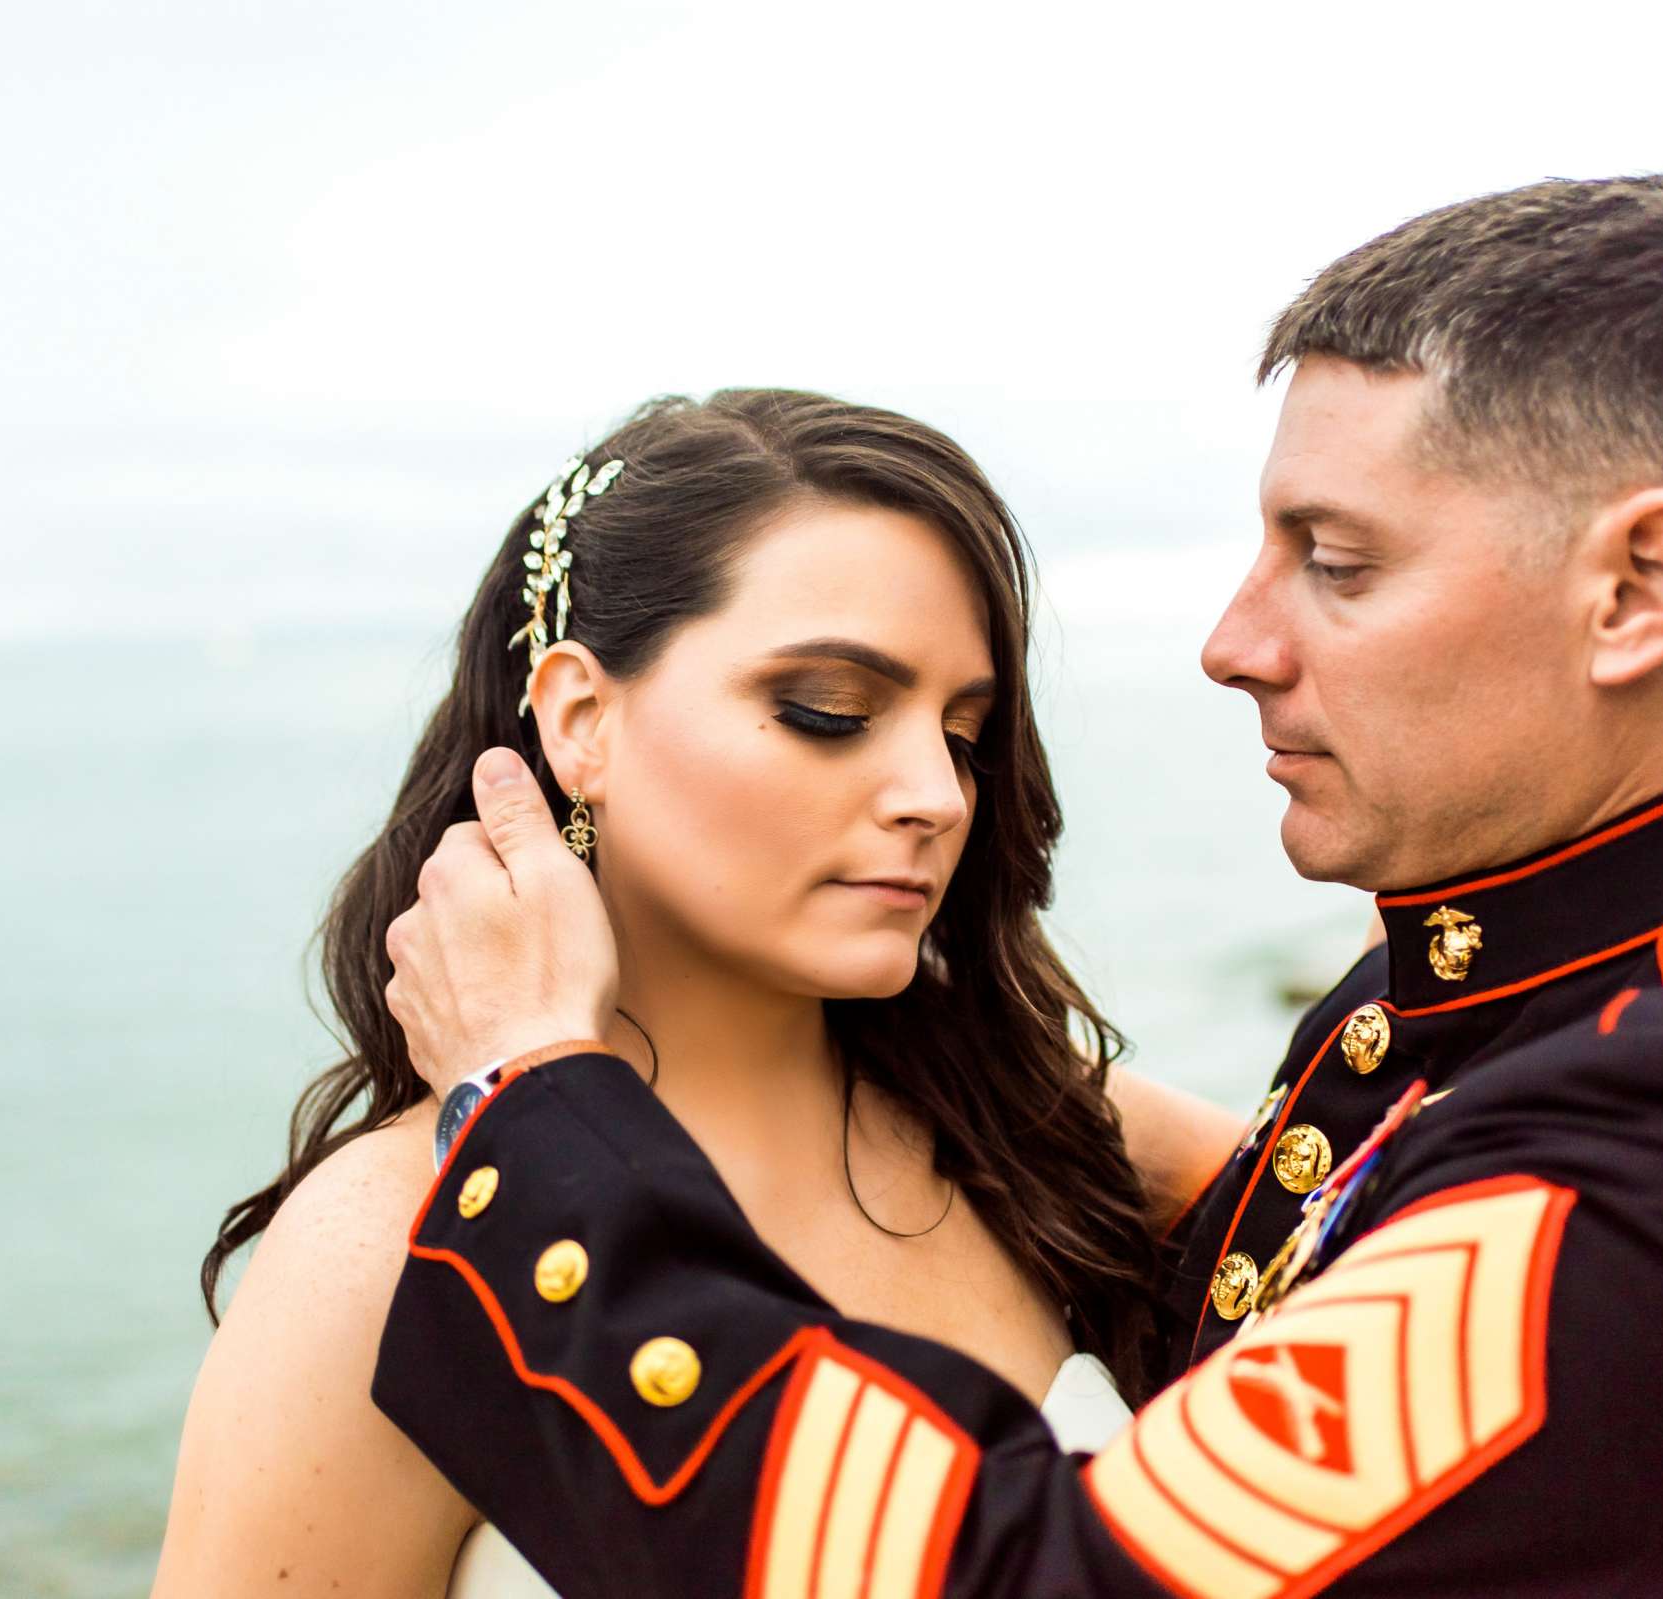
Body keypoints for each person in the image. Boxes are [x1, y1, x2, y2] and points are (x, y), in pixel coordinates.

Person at [373, 176, 1663, 1596]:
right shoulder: (1525, 1005)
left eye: (1337, 561)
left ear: (1638, 588)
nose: (1236, 641)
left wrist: (531, 1103)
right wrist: (893, 1030)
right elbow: (1329, 1246)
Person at [145, 390, 1245, 1598]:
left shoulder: (1048, 1133)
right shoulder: (390, 1246)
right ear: (580, 721)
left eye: (967, 733)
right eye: (830, 711)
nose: (935, 791)